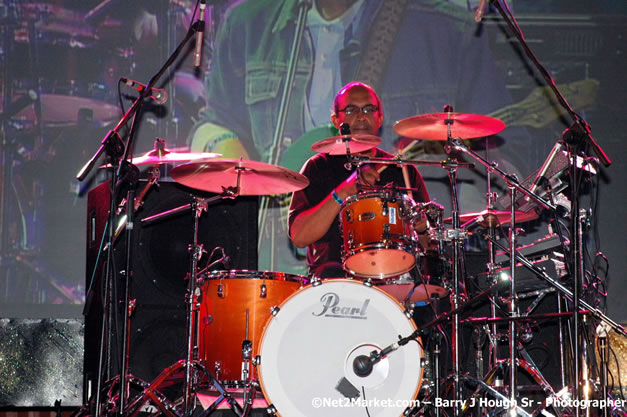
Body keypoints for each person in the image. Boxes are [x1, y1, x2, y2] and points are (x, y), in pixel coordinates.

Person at [288, 81, 431, 278]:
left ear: (379, 118)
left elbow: (429, 248)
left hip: (395, 280)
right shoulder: (317, 167)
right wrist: (343, 192)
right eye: (351, 110)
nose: (361, 116)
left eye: (368, 109)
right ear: (335, 120)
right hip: (334, 281)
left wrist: (423, 230)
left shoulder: (402, 170)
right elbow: (299, 237)